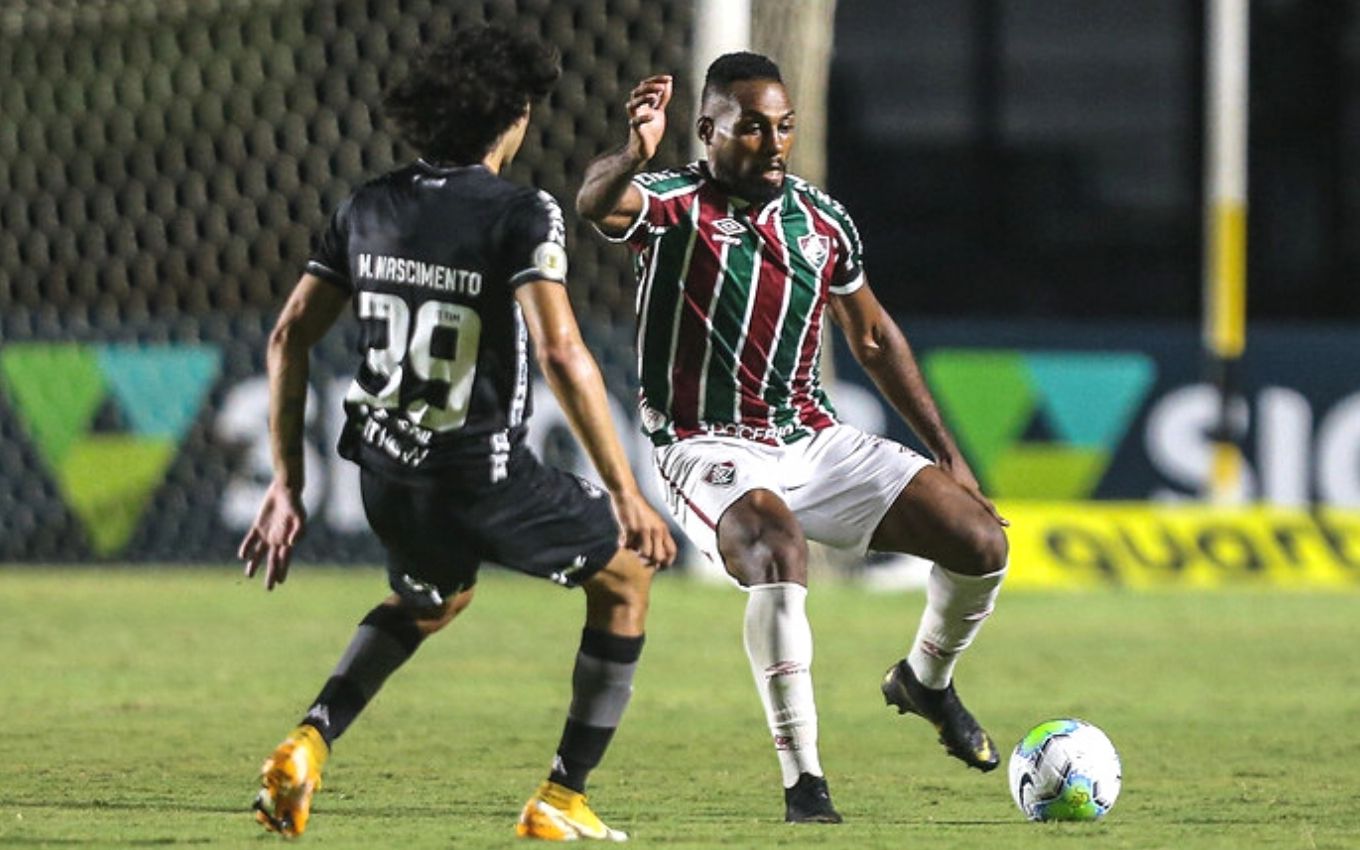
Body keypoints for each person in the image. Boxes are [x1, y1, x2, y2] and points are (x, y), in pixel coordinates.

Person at [237, 25, 676, 842]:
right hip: (481, 476)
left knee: (434, 596)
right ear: (512, 116)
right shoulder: (519, 212)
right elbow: (560, 351)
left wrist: (287, 484)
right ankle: (562, 797)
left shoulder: (367, 204)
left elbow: (287, 336)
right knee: (625, 579)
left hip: (385, 474)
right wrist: (627, 494)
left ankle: (308, 742)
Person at [575, 52, 1009, 824]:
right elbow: (595, 206)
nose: (772, 143)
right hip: (702, 443)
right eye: (750, 128)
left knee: (980, 541)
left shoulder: (822, 220)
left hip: (813, 439)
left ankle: (926, 682)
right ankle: (805, 784)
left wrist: (946, 451)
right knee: (777, 552)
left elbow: (871, 337)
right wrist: (632, 154)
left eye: (783, 127)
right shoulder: (674, 202)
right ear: (707, 131)